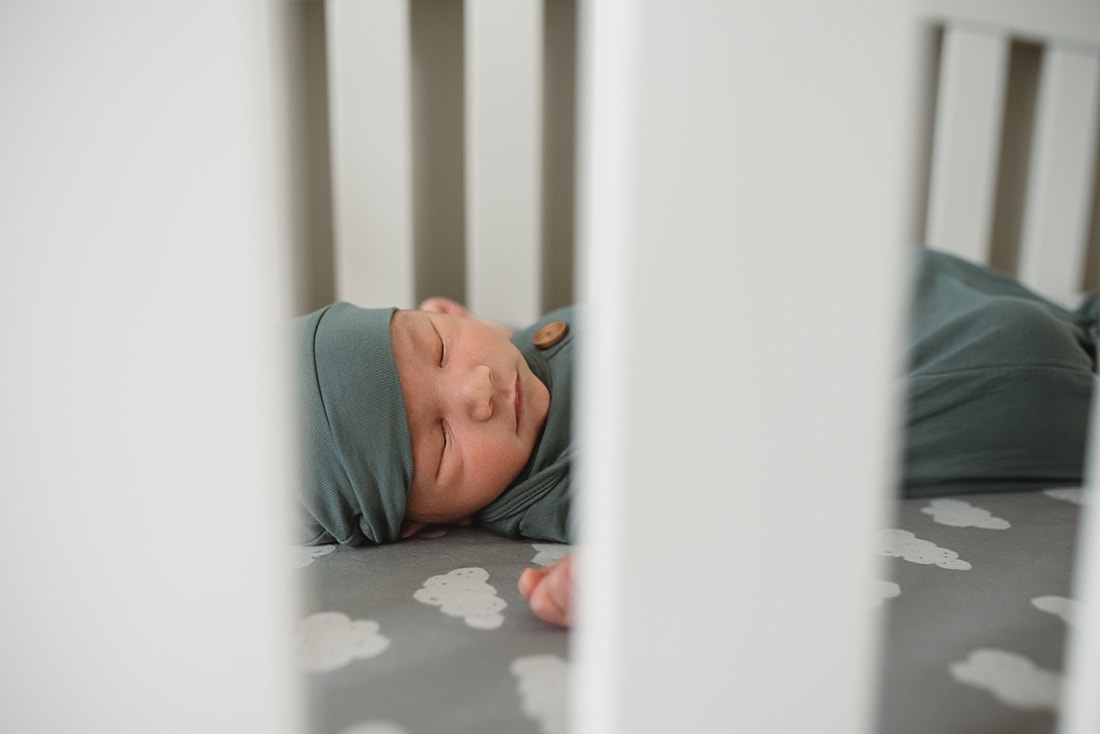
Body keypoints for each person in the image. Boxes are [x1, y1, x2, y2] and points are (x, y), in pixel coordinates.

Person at [296, 248, 1100, 629]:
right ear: (423, 524)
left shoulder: (520, 347)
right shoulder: (555, 490)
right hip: (977, 377)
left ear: (444, 313)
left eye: (437, 351)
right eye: (437, 444)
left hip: (910, 297)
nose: (474, 393)